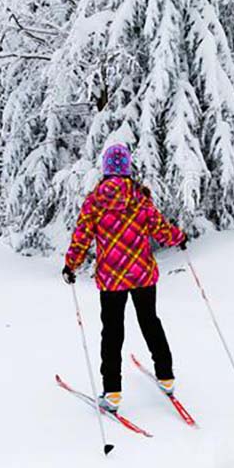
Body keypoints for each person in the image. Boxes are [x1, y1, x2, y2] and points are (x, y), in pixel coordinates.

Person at [62, 144, 187, 413]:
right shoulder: (140, 198)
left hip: (111, 279)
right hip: (142, 274)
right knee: (150, 322)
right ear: (128, 168)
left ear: (106, 169)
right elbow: (161, 229)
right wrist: (179, 238)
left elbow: (82, 236)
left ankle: (113, 392)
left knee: (112, 331)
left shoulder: (95, 201)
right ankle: (166, 376)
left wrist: (71, 264)